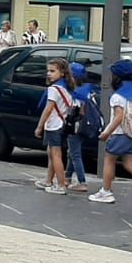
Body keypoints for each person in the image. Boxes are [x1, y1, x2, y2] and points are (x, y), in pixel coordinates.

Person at [90, 59, 132, 204]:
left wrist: (106, 132)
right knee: (129, 164)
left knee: (109, 160)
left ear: (116, 77)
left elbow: (119, 117)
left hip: (119, 133)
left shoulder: (117, 97)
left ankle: (106, 191)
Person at [35, 58, 73, 193]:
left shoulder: (53, 89)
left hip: (53, 125)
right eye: (48, 71)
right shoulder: (66, 88)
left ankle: (61, 185)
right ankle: (48, 181)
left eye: (52, 71)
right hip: (61, 123)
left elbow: (48, 108)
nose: (49, 74)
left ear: (62, 72)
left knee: (55, 155)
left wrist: (39, 126)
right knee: (52, 154)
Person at [62, 62, 95, 193]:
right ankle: (67, 177)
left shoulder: (74, 92)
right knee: (72, 152)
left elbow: (72, 109)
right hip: (86, 126)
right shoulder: (88, 89)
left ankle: (82, 182)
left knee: (75, 154)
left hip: (75, 126)